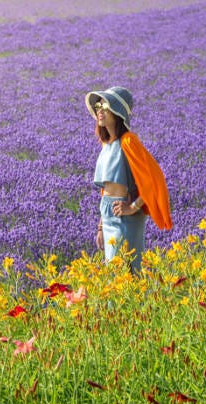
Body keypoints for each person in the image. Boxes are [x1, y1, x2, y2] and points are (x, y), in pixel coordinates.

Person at [85, 86, 172, 272]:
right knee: (113, 274)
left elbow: (154, 179)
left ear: (117, 112)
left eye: (105, 106)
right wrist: (100, 226)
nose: (99, 110)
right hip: (108, 213)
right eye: (98, 105)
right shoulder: (106, 145)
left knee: (126, 274)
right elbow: (105, 191)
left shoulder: (129, 142)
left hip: (124, 215)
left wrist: (133, 207)